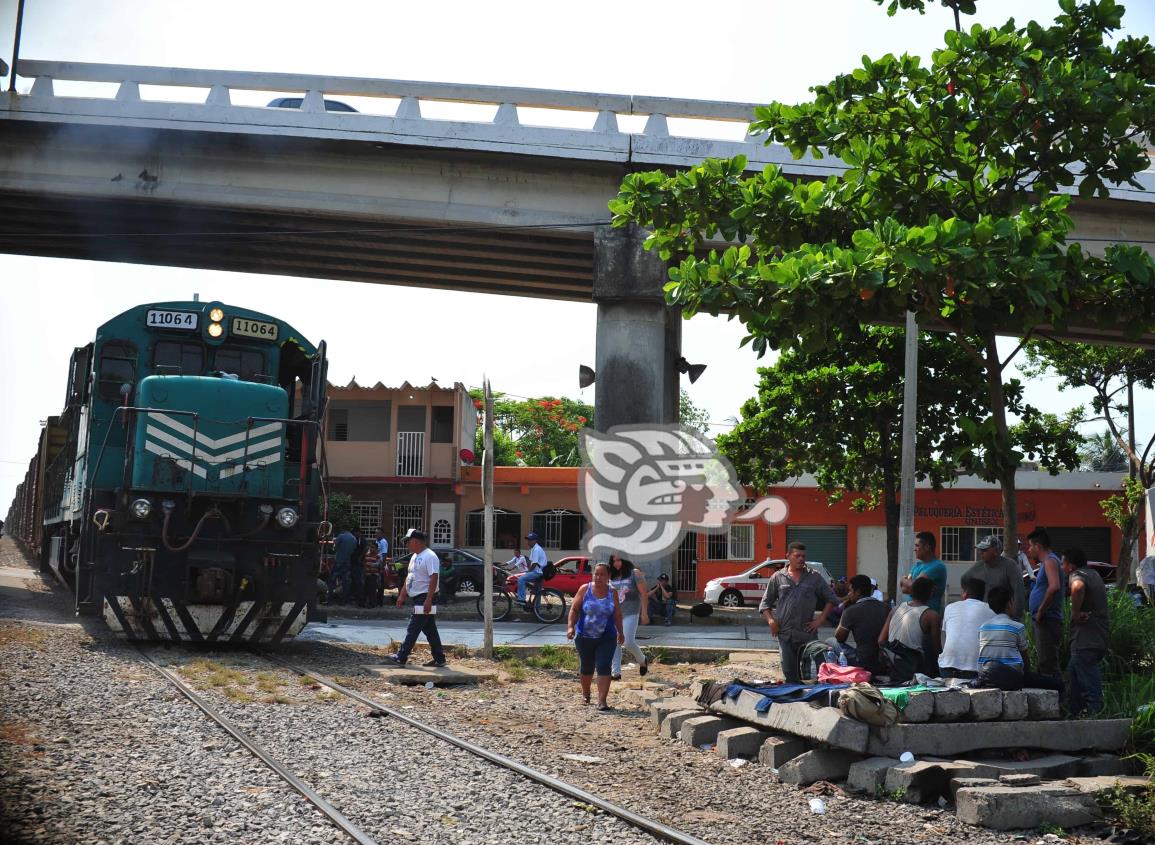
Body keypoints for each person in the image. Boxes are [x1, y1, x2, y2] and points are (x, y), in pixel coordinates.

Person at [758, 542, 837, 685]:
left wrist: (820, 620)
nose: (801, 559)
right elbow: (764, 605)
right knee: (790, 675)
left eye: (803, 556)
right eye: (797, 556)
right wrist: (771, 621)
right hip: (785, 634)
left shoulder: (814, 577)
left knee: (813, 675)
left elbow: (832, 599)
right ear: (788, 556)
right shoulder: (777, 577)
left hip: (808, 634)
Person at [975, 586, 1062, 691]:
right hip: (1012, 678)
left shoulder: (983, 627)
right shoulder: (1017, 627)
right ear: (1009, 604)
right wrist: (1028, 673)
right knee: (1056, 684)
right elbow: (1025, 658)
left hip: (986, 677)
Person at [384, 528, 447, 668]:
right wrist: (402, 595)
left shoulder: (430, 556)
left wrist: (428, 599)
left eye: (408, 542)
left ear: (415, 541)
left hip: (424, 597)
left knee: (413, 628)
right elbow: (410, 577)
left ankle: (401, 656)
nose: (406, 545)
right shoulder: (414, 556)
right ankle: (440, 658)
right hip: (418, 596)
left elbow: (434, 577)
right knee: (430, 630)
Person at [567, 561, 624, 710]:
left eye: (602, 574)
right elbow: (574, 609)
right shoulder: (585, 589)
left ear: (608, 576)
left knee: (604, 665)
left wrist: (621, 632)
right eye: (596, 574)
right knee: (587, 666)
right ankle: (586, 694)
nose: (598, 577)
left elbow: (617, 614)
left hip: (607, 637)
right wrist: (570, 627)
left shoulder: (613, 593)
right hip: (584, 636)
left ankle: (602, 701)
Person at [1062, 547, 1109, 716]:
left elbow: (1077, 588)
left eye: (1063, 563)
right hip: (1097, 634)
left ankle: (1095, 711)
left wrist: (1074, 613)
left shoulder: (1077, 575)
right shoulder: (1094, 574)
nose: (1062, 567)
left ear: (1071, 566)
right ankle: (1074, 713)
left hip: (1085, 637)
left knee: (1086, 671)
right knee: (1074, 674)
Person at [879, 576, 941, 681]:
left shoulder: (895, 609)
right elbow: (937, 650)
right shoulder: (931, 615)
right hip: (912, 666)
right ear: (930, 594)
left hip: (891, 663)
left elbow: (881, 640)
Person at [1026, 527, 1066, 678]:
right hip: (1045, 619)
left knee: (1048, 664)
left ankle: (1056, 698)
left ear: (1038, 546)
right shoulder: (1047, 562)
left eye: (1030, 546)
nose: (1029, 550)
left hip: (1047, 619)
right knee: (1045, 662)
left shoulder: (1050, 561)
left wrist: (1041, 611)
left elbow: (1054, 586)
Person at [939, 575, 995, 679]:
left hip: (946, 668)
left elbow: (944, 638)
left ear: (965, 594)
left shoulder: (950, 608)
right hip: (975, 671)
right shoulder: (991, 611)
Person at [832, 574, 889, 674]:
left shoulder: (851, 610)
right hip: (884, 661)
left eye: (850, 591)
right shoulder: (887, 608)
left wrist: (845, 612)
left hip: (862, 662)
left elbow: (839, 638)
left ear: (857, 592)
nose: (849, 594)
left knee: (830, 641)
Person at [964, 535, 1025, 623]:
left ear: (996, 551)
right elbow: (964, 580)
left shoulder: (1010, 566)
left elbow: (1019, 592)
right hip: (984, 617)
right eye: (980, 550)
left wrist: (1016, 616)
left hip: (1005, 618)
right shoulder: (978, 566)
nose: (980, 552)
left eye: (984, 550)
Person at [608, 554, 649, 680]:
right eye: (614, 561)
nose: (617, 563)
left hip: (631, 612)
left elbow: (643, 593)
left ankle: (642, 660)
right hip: (615, 613)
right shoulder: (611, 575)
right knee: (615, 642)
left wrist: (644, 613)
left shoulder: (634, 573)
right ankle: (616, 673)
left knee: (628, 642)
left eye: (619, 560)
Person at [901, 531, 947, 613]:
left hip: (927, 614)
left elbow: (916, 586)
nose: (915, 549)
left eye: (917, 546)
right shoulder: (917, 565)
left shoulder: (937, 566)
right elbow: (904, 589)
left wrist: (905, 581)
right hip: (911, 612)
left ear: (927, 547)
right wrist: (908, 584)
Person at [516, 532, 548, 605]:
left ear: (535, 540)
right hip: (539, 572)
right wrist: (527, 570)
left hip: (538, 572)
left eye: (530, 540)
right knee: (537, 591)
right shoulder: (534, 549)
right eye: (528, 540)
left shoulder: (536, 549)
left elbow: (534, 563)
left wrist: (528, 572)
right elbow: (530, 562)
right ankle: (536, 609)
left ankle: (521, 599)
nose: (528, 541)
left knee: (521, 579)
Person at [329, 525, 358, 603]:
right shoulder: (354, 539)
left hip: (338, 561)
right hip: (347, 562)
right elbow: (353, 551)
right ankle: (344, 600)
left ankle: (330, 600)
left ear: (343, 529)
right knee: (345, 582)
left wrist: (334, 544)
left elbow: (335, 548)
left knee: (332, 580)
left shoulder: (341, 536)